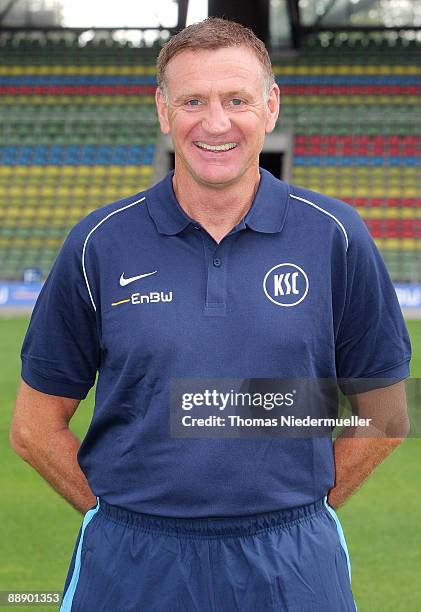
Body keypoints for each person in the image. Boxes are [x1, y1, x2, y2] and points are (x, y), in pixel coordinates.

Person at [10, 17, 410, 612]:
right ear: (163, 110)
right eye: (193, 100)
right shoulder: (98, 242)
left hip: (292, 559)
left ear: (270, 107)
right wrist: (118, 516)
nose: (216, 122)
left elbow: (385, 414)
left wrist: (301, 507)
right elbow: (33, 428)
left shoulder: (336, 235)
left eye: (237, 99)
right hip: (132, 557)